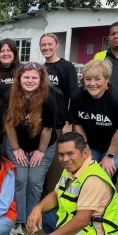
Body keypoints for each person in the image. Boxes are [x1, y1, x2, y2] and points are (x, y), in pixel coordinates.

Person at [26, 132, 118, 235]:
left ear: (85, 153)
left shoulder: (93, 179)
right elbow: (56, 195)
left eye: (70, 153)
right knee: (47, 215)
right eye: (61, 154)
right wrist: (38, 208)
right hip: (82, 232)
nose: (65, 159)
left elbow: (82, 220)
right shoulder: (72, 169)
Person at [4, 62, 57, 235]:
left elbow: (48, 129)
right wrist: (16, 148)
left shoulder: (49, 98)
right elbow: (9, 124)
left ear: (41, 80)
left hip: (42, 145)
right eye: (26, 77)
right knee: (20, 179)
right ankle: (18, 220)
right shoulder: (9, 96)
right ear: (19, 79)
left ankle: (32, 218)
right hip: (17, 144)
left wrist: (41, 151)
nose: (30, 80)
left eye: (34, 77)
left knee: (34, 181)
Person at [68, 59, 118, 184]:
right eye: (88, 79)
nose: (92, 84)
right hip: (93, 141)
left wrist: (110, 156)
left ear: (107, 79)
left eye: (97, 79)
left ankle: (106, 199)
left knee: (101, 176)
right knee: (85, 171)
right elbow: (77, 124)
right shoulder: (77, 96)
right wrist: (85, 147)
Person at [40, 33, 79, 195]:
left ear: (57, 46)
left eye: (50, 44)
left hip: (59, 124)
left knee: (57, 164)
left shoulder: (66, 67)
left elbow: (73, 96)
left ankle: (54, 197)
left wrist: (68, 123)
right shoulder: (42, 68)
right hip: (43, 123)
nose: (46, 47)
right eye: (43, 45)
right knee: (43, 162)